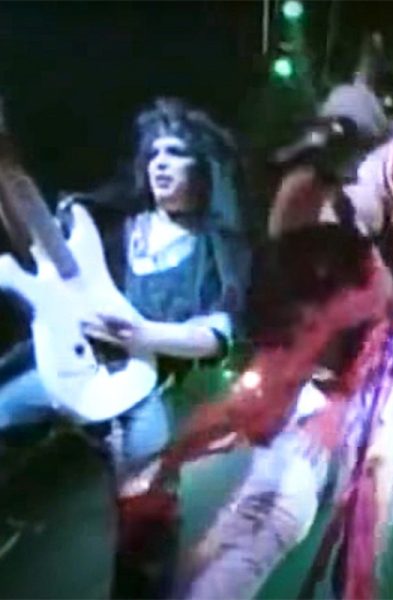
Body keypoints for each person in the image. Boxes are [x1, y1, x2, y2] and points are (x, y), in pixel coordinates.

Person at [138, 88, 393, 599]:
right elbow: (290, 228)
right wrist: (327, 155)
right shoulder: (356, 214)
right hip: (317, 399)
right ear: (392, 166)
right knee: (274, 519)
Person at [0, 97, 250, 597]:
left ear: (203, 170)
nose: (160, 163)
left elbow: (217, 334)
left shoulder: (216, 247)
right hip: (70, 363)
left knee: (147, 517)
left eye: (175, 153)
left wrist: (144, 334)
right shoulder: (111, 221)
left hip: (148, 389)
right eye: (153, 153)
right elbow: (44, 249)